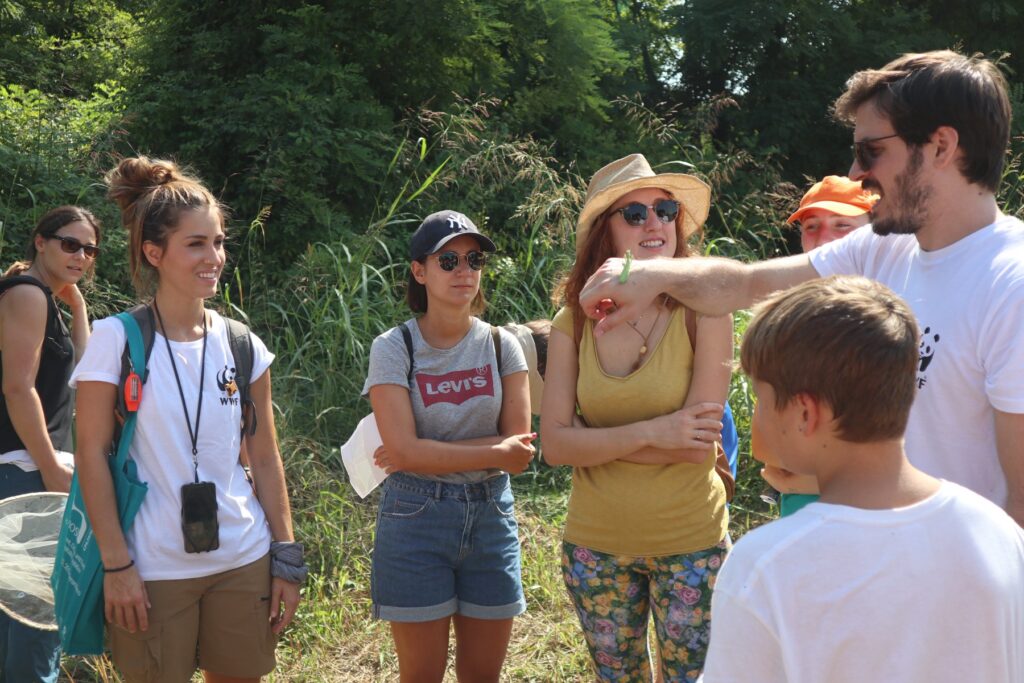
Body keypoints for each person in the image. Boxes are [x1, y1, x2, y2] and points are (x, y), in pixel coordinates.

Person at [578, 51, 1024, 526]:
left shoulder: (1010, 284)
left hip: (961, 584)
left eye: (871, 151)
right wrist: (653, 277)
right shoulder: (882, 250)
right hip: (884, 559)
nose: (855, 173)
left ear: (940, 146)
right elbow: (748, 283)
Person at [702, 276, 1024, 682]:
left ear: (805, 413)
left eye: (761, 400)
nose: (759, 420)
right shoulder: (997, 531)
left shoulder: (765, 567)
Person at [71, 157, 303, 682]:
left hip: (242, 559)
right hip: (152, 569)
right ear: (155, 252)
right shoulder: (115, 340)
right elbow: (89, 455)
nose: (214, 257)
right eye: (196, 244)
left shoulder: (243, 344)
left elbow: (264, 456)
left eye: (219, 242)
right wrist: (117, 565)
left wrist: (286, 555)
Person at [541, 154, 732, 682]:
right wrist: (657, 431)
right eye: (635, 213)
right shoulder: (572, 322)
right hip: (595, 544)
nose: (655, 222)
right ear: (606, 233)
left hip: (691, 540)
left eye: (665, 209)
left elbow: (698, 444)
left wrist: (594, 439)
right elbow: (554, 447)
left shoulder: (707, 310)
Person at [364, 210, 535, 683]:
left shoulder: (504, 345)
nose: (464, 270)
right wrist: (492, 450)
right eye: (449, 260)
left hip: (490, 518)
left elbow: (519, 449)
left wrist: (422, 449)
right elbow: (405, 453)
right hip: (415, 519)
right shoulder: (394, 346)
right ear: (419, 271)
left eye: (473, 259)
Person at [0, 206, 97, 682]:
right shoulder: (26, 294)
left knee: (21, 617)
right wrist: (51, 468)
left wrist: (77, 305)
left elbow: (83, 373)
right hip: (23, 469)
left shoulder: (45, 298)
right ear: (40, 242)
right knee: (36, 617)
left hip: (27, 467)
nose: (81, 255)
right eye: (70, 244)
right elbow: (18, 388)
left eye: (89, 249)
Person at [758, 176, 876, 516]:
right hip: (801, 510)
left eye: (842, 225)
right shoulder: (787, 317)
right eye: (812, 226)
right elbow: (771, 454)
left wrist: (813, 478)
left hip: (877, 510)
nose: (825, 240)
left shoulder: (901, 313)